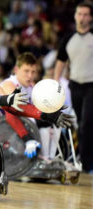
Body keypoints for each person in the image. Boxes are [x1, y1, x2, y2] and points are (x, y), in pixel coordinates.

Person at [54, 2, 93, 173]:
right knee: (80, 124)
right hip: (75, 85)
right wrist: (55, 82)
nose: (82, 17)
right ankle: (83, 158)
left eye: (86, 14)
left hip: (92, 85)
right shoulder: (68, 38)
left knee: (87, 123)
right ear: (75, 15)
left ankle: (86, 163)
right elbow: (60, 61)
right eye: (80, 14)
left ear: (91, 17)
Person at [0, 52, 62, 160]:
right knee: (40, 122)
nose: (30, 76)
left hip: (24, 120)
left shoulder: (32, 86)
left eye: (33, 72)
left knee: (55, 123)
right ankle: (43, 157)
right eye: (26, 71)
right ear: (16, 70)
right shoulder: (9, 84)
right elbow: (13, 111)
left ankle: (49, 158)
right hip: (6, 125)